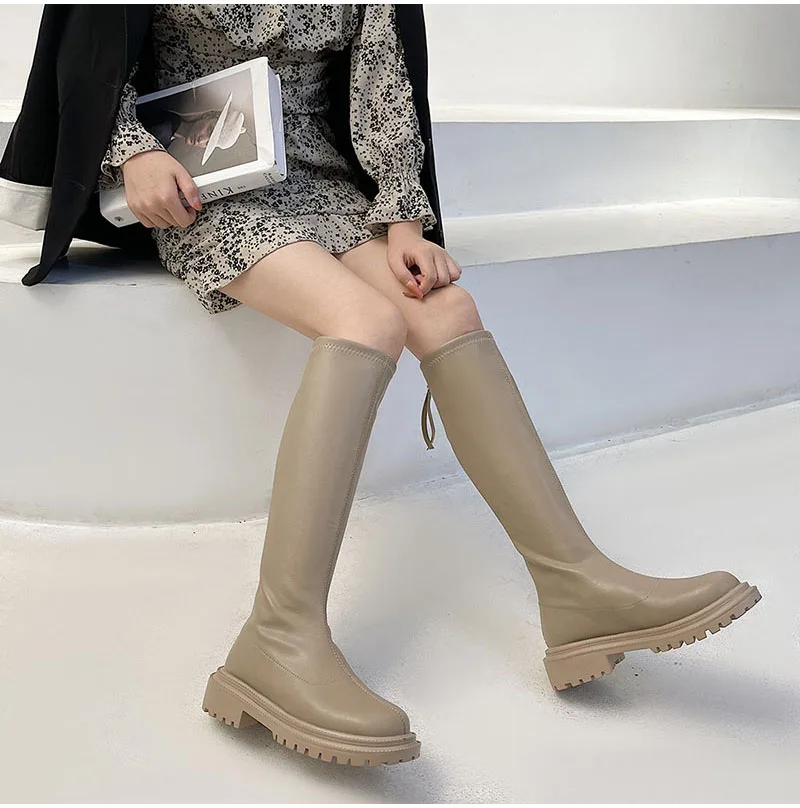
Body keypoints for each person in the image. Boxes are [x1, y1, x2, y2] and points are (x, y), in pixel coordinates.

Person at [99, 4, 761, 768]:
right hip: (199, 187)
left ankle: (576, 589)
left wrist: (404, 221)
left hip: (322, 181)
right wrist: (131, 151)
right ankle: (277, 637)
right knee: (364, 323)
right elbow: (92, 44)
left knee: (448, 312)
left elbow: (381, 78)